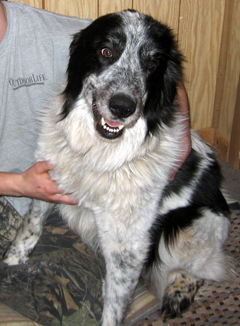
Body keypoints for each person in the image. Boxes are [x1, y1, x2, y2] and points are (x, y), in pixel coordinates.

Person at [0, 0, 191, 218]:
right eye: (108, 53)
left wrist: (183, 139)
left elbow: (162, 60)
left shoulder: (54, 31)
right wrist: (18, 184)